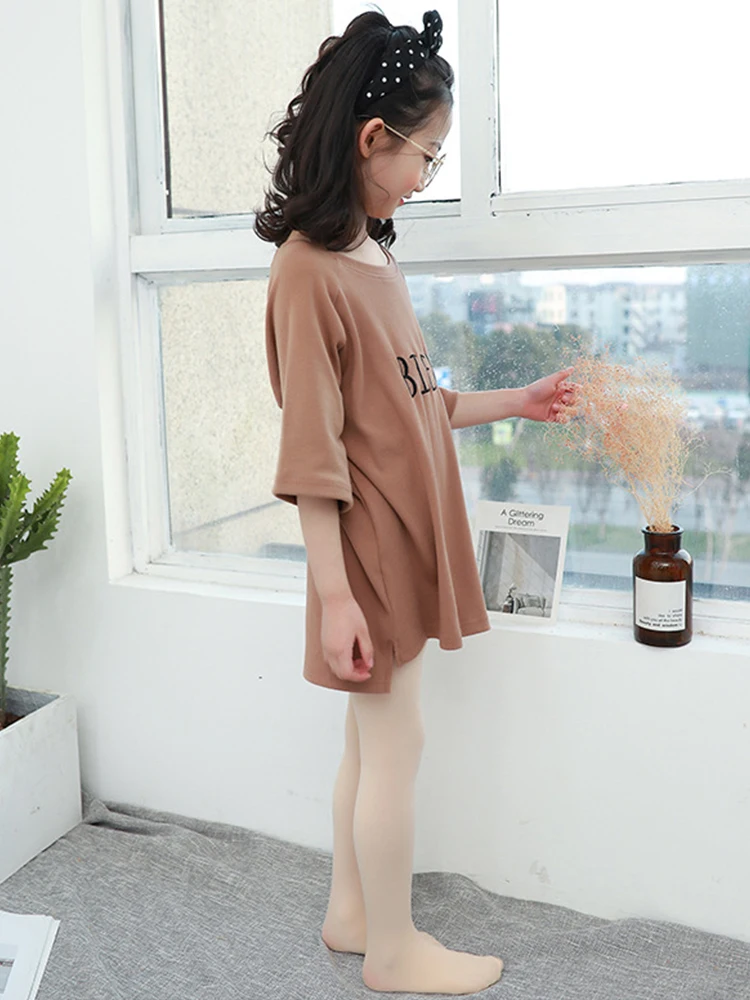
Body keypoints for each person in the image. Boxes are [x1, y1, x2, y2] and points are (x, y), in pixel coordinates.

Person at [255, 9, 574, 995]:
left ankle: (353, 914)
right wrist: (336, 596)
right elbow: (311, 457)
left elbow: (416, 404)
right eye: (427, 157)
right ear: (372, 139)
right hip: (369, 551)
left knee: (372, 740)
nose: (427, 178)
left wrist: (516, 401)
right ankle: (392, 952)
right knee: (399, 744)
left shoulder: (372, 257)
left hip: (400, 538)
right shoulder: (309, 273)